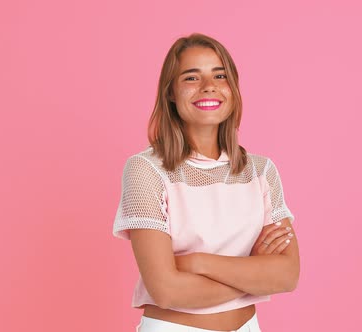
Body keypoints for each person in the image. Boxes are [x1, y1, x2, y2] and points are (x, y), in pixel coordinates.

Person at [113, 33, 300, 332]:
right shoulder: (146, 170)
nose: (208, 86)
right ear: (171, 92)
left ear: (233, 88)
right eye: (191, 77)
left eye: (220, 75)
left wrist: (197, 262)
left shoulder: (261, 171)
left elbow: (288, 276)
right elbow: (166, 291)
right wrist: (256, 276)